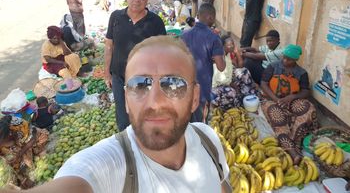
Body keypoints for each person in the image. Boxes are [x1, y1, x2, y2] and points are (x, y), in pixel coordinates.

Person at [8, 36, 230, 193]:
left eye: (173, 84)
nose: (155, 102)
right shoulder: (108, 167)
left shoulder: (207, 139)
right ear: (125, 99)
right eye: (140, 85)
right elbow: (80, 180)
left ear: (194, 97)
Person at [104, 0, 166, 131]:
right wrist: (107, 73)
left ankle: (144, 146)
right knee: (123, 117)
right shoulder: (116, 17)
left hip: (144, 81)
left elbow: (162, 52)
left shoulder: (155, 22)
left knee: (143, 115)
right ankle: (127, 147)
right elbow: (108, 46)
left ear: (146, 0)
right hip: (119, 77)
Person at [260, 44, 318, 165]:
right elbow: (263, 83)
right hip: (271, 99)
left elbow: (306, 91)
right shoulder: (273, 66)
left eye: (289, 59)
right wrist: (276, 99)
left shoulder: (301, 73)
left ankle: (295, 140)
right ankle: (292, 152)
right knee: (277, 115)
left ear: (296, 59)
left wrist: (292, 97)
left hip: (290, 101)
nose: (285, 60)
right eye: (284, 57)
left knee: (308, 108)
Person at [181, 3, 226, 122]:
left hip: (184, 86)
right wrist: (222, 55)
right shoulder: (214, 38)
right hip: (202, 88)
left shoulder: (184, 35)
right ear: (210, 17)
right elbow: (221, 67)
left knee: (185, 121)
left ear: (198, 15)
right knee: (199, 123)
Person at [211, 35, 260, 111]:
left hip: (227, 79)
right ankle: (233, 103)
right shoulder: (219, 56)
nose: (232, 46)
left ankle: (247, 94)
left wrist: (237, 53)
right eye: (229, 45)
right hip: (215, 86)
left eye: (233, 44)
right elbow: (220, 78)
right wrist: (232, 84)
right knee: (232, 92)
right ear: (223, 46)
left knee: (244, 71)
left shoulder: (227, 54)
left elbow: (240, 66)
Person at [0, 115, 49, 189]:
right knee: (15, 163)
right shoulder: (4, 144)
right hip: (16, 143)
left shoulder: (19, 125)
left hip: (30, 138)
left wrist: (20, 154)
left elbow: (33, 137)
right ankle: (23, 178)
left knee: (41, 142)